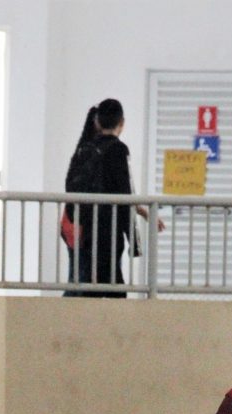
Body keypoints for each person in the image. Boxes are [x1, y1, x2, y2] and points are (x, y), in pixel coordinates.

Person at [62, 99, 161, 297]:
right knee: (111, 286)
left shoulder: (84, 148)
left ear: (97, 122)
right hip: (107, 230)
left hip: (79, 227)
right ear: (121, 123)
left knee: (81, 282)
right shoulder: (118, 150)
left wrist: (141, 211)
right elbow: (124, 194)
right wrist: (133, 237)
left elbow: (70, 185)